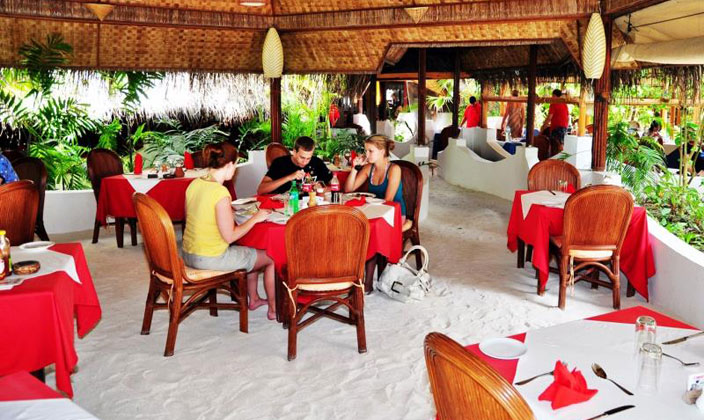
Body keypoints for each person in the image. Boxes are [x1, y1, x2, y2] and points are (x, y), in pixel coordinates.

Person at [182, 144, 277, 320]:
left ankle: (254, 299)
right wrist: (255, 218)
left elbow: (192, 218)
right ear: (230, 164)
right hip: (210, 258)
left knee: (251, 251)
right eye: (236, 165)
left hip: (188, 254)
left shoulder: (194, 184)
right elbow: (230, 236)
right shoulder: (221, 193)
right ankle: (273, 310)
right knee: (272, 257)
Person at [344, 135, 406, 217]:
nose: (367, 155)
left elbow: (388, 201)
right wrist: (355, 168)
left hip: (393, 214)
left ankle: (406, 224)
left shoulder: (394, 169)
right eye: (366, 151)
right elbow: (348, 190)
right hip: (375, 211)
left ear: (382, 151)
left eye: (370, 151)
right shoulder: (368, 168)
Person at [257, 136, 333, 195]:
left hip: (311, 204)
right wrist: (289, 177)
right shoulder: (280, 163)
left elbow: (334, 186)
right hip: (287, 205)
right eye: (302, 157)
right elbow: (261, 190)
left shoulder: (317, 162)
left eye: (308, 158)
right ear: (294, 152)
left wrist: (321, 188)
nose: (305, 162)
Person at [541, 89, 570, 156]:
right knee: (560, 146)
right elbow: (568, 117)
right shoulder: (564, 104)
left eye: (552, 96)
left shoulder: (554, 104)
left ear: (554, 95)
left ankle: (555, 160)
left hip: (556, 128)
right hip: (564, 128)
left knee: (555, 147)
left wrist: (543, 127)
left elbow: (549, 117)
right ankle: (560, 159)